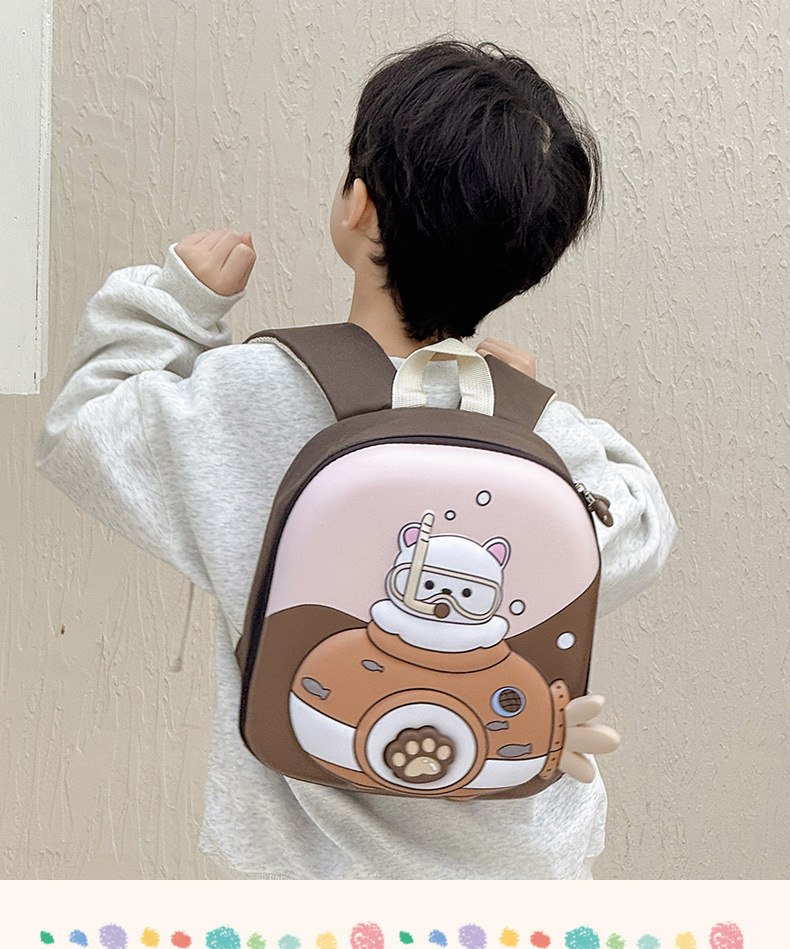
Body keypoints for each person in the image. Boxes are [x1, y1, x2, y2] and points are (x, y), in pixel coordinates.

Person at [35, 38, 678, 879]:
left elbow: (85, 430)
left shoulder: (247, 400)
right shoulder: (541, 441)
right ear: (531, 259)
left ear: (361, 208)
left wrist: (176, 305)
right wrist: (538, 412)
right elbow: (641, 529)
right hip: (518, 889)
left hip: (302, 880)